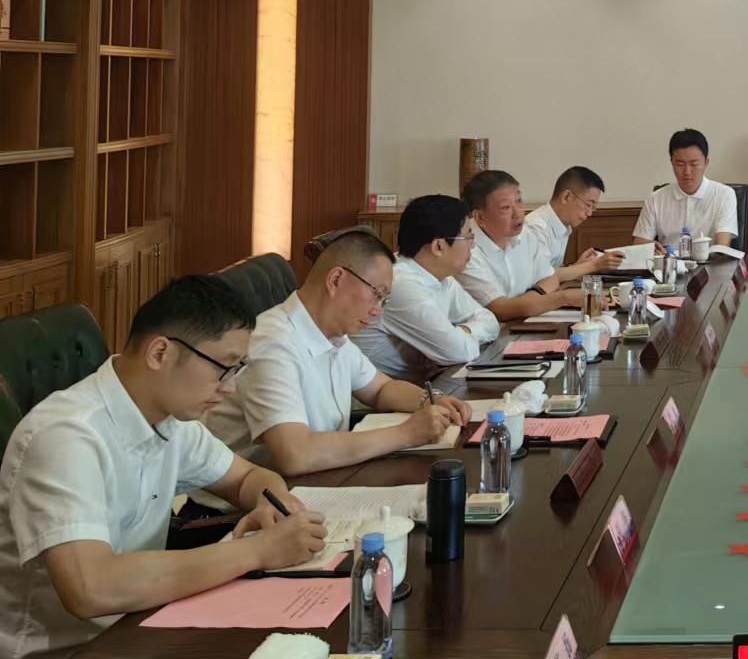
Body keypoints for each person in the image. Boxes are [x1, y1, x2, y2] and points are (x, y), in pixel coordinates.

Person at [0, 276, 328, 657]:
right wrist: (258, 551)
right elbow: (91, 588)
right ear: (159, 353)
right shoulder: (65, 436)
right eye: (223, 368)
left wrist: (270, 502)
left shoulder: (170, 418)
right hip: (68, 650)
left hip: (141, 624)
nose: (229, 388)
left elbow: (248, 478)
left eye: (237, 369)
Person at [206, 230, 471, 475]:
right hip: (248, 503)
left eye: (384, 300)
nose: (377, 310)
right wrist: (406, 434)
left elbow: (380, 389)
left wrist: (431, 400)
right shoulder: (272, 343)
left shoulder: (335, 335)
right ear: (336, 280)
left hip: (320, 480)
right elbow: (295, 454)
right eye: (376, 294)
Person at [352, 195, 500, 379]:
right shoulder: (399, 283)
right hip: (384, 392)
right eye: (468, 237)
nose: (473, 245)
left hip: (427, 382)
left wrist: (464, 331)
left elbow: (490, 321)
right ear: (438, 246)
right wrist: (459, 336)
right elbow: (457, 352)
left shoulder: (440, 276)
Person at [458, 169, 588, 321]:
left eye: (519, 201)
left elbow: (550, 278)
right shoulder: (464, 249)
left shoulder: (525, 233)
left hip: (524, 323)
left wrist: (531, 299)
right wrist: (562, 298)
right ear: (480, 217)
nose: (518, 213)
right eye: (506, 207)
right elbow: (498, 309)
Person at [632, 129, 740, 249]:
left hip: (709, 260)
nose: (687, 172)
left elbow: (722, 246)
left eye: (694, 164)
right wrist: (651, 249)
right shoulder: (656, 198)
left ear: (706, 162)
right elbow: (640, 244)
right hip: (669, 259)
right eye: (680, 164)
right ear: (672, 163)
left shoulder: (724, 195)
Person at [522, 165, 625, 272]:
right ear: (566, 197)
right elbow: (542, 277)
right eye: (588, 205)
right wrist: (593, 266)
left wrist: (577, 266)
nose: (589, 213)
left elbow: (554, 272)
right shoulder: (535, 228)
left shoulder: (565, 226)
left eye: (593, 207)